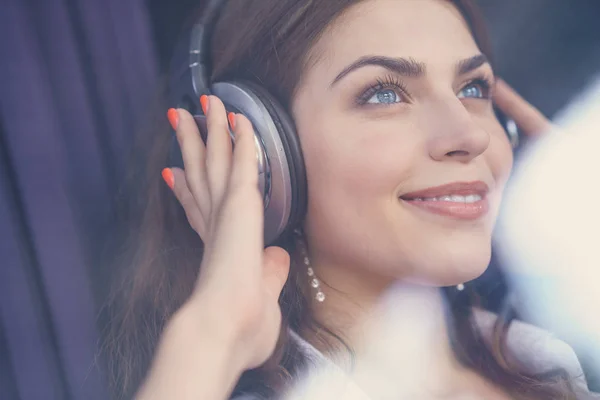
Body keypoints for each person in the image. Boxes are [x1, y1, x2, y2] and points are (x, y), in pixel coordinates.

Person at [98, 0, 599, 399]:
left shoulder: (548, 362)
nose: (469, 133)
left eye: (472, 88)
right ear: (264, 153)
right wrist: (215, 332)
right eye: (383, 94)